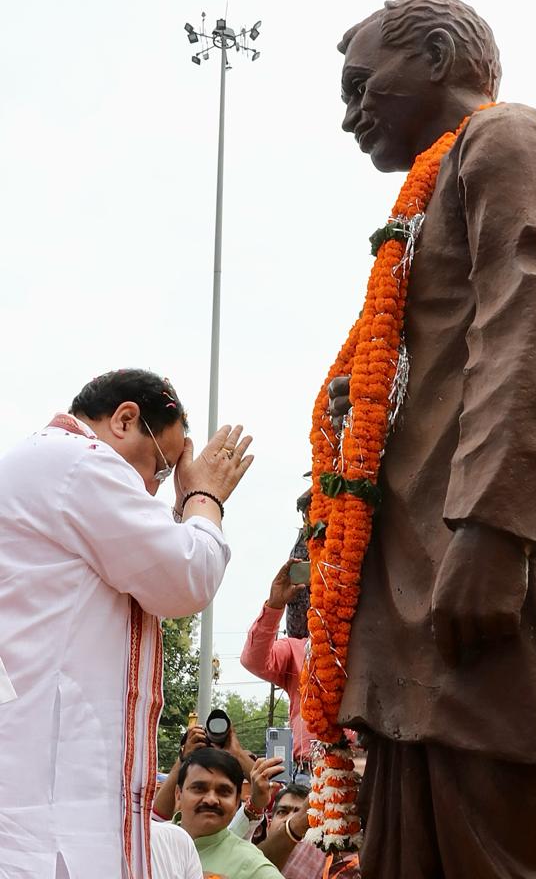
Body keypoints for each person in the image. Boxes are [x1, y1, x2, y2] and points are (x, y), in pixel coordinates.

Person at [316, 0, 536, 878]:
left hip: (494, 584)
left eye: (363, 85)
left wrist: (494, 528)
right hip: (425, 597)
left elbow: (533, 323)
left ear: (437, 57)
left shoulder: (508, 140)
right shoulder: (430, 187)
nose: (350, 113)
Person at [0, 369, 253, 878]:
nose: (156, 491)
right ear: (124, 419)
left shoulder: (38, 463)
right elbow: (188, 576)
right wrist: (203, 499)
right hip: (53, 809)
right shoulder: (79, 463)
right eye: (162, 469)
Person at [240, 559, 314, 772]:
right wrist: (275, 605)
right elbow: (254, 661)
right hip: (309, 774)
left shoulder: (371, 646)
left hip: (368, 768)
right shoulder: (297, 649)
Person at [175, 747, 281, 878]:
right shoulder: (149, 840)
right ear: (178, 794)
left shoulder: (251, 865)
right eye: (199, 788)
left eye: (223, 791)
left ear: (237, 801)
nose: (211, 800)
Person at [258, 784, 325, 879]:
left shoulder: (327, 866)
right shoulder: (248, 855)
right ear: (268, 826)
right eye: (282, 812)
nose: (290, 819)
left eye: (301, 815)